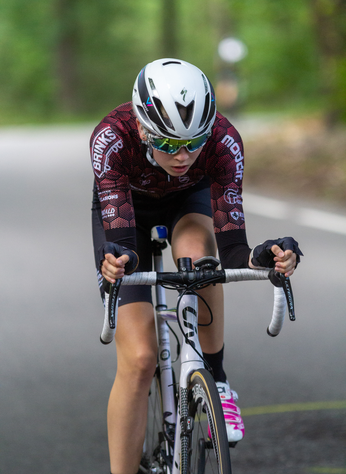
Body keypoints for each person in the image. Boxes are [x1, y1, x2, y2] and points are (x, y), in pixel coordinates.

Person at [90, 58, 302, 474]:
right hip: (126, 214)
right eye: (168, 144)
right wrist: (119, 262)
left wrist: (268, 256)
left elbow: (235, 250)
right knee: (139, 360)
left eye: (194, 142)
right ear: (141, 126)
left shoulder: (224, 141)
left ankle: (216, 379)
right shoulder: (110, 138)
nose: (183, 156)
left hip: (188, 205)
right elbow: (123, 243)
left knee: (199, 258)